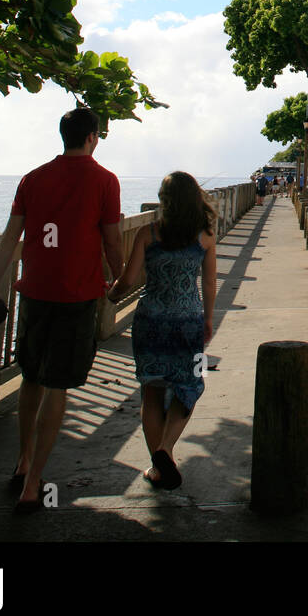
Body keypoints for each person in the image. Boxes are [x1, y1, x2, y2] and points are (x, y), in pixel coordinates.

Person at [0, 108, 122, 513]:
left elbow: (10, 239)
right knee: (57, 384)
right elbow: (112, 240)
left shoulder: (33, 178)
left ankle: (22, 461)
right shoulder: (105, 181)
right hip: (76, 296)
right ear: (92, 137)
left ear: (64, 136)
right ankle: (34, 483)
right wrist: (119, 279)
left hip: (34, 294)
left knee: (30, 377)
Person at [108, 172, 217, 490]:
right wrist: (207, 319)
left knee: (152, 389)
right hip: (187, 321)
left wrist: (111, 296)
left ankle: (158, 463)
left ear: (165, 200)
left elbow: (127, 281)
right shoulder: (205, 235)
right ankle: (164, 451)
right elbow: (209, 282)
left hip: (150, 322)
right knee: (189, 385)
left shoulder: (148, 234)